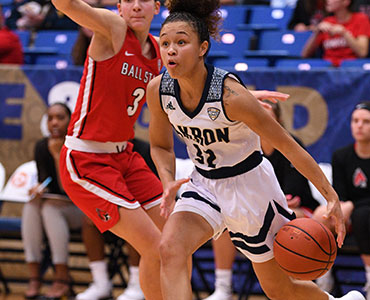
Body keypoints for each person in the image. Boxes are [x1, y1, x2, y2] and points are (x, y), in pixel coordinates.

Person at [146, 1, 366, 300]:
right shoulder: (158, 89)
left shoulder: (231, 95)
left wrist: (330, 196)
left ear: (202, 48)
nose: (171, 50)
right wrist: (167, 178)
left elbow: (290, 148)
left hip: (251, 189)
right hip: (205, 184)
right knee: (169, 249)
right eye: (165, 43)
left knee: (278, 290)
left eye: (181, 42)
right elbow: (160, 145)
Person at [51, 0, 167, 298]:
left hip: (124, 157)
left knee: (175, 242)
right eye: (129, 0)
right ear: (119, 7)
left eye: (144, 0)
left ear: (157, 7)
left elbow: (195, 86)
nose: (136, 6)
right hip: (86, 158)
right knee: (155, 247)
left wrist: (240, 98)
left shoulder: (159, 52)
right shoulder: (114, 28)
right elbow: (68, 5)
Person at [203, 100, 320, 300]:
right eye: (255, 110)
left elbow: (293, 196)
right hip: (258, 209)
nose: (259, 115)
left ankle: (302, 283)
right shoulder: (243, 145)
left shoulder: (290, 143)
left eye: (265, 112)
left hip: (297, 209)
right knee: (224, 224)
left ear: (278, 119)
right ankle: (223, 287)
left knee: (288, 224)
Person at [76, 138, 157, 300]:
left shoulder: (142, 149)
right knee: (88, 220)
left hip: (142, 209)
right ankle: (101, 283)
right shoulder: (96, 150)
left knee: (134, 220)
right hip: (112, 208)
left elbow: (152, 188)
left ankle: (136, 283)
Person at [22, 102, 83, 299]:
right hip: (56, 209)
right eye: (50, 118)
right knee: (32, 205)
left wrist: (58, 155)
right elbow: (46, 183)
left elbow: (69, 190)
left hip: (81, 211)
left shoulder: (78, 145)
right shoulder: (41, 146)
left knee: (49, 209)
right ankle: (34, 277)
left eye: (60, 117)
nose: (54, 122)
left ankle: (62, 277)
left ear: (70, 120)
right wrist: (38, 189)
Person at [313, 101, 370, 299]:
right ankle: (323, 276)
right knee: (322, 214)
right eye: (355, 121)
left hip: (363, 214)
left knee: (364, 216)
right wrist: (343, 207)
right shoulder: (341, 156)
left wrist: (353, 205)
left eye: (366, 121)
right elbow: (340, 193)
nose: (359, 126)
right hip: (351, 213)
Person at [301, 0, 370, 67]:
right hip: (328, 70)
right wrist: (317, 33)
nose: (328, 1)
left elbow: (362, 52)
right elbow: (305, 55)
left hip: (352, 69)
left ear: (346, 1)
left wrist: (344, 33)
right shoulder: (326, 22)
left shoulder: (361, 19)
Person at [5, 0, 77, 31]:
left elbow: (72, 24)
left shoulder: (62, 4)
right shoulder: (26, 3)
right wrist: (19, 24)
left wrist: (44, 21)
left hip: (50, 37)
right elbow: (8, 22)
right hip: (26, 40)